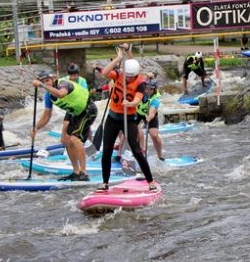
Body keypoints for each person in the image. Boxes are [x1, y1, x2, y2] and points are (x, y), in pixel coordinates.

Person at [99, 44, 157, 191]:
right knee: (106, 150)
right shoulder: (118, 74)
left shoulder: (140, 82)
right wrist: (118, 58)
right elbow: (104, 73)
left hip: (129, 119)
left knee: (136, 150)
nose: (128, 79)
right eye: (127, 76)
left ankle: (150, 181)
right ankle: (105, 182)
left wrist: (130, 103)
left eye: (131, 76)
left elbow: (137, 100)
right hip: (112, 118)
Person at [31, 70, 98, 181]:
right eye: (43, 82)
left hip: (88, 110)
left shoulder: (63, 83)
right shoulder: (48, 96)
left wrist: (42, 85)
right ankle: (76, 172)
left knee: (75, 139)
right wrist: (35, 128)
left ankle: (84, 173)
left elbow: (61, 94)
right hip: (76, 114)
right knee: (67, 141)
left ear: (53, 79)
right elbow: (47, 116)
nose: (46, 83)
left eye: (47, 80)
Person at [137, 76, 164, 161]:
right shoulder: (140, 91)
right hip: (137, 112)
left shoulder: (155, 99)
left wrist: (149, 117)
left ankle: (160, 155)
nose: (148, 91)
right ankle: (141, 150)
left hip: (149, 115)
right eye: (147, 89)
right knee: (135, 132)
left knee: (154, 135)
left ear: (155, 89)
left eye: (150, 89)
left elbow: (152, 112)